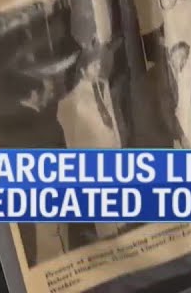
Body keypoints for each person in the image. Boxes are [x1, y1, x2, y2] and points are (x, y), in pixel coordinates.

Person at [55, 55, 123, 242]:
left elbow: (111, 117)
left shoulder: (103, 84)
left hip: (109, 144)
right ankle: (107, 233)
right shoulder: (70, 101)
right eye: (94, 66)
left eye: (99, 65)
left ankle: (121, 225)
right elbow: (70, 135)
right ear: (83, 70)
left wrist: (117, 142)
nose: (98, 68)